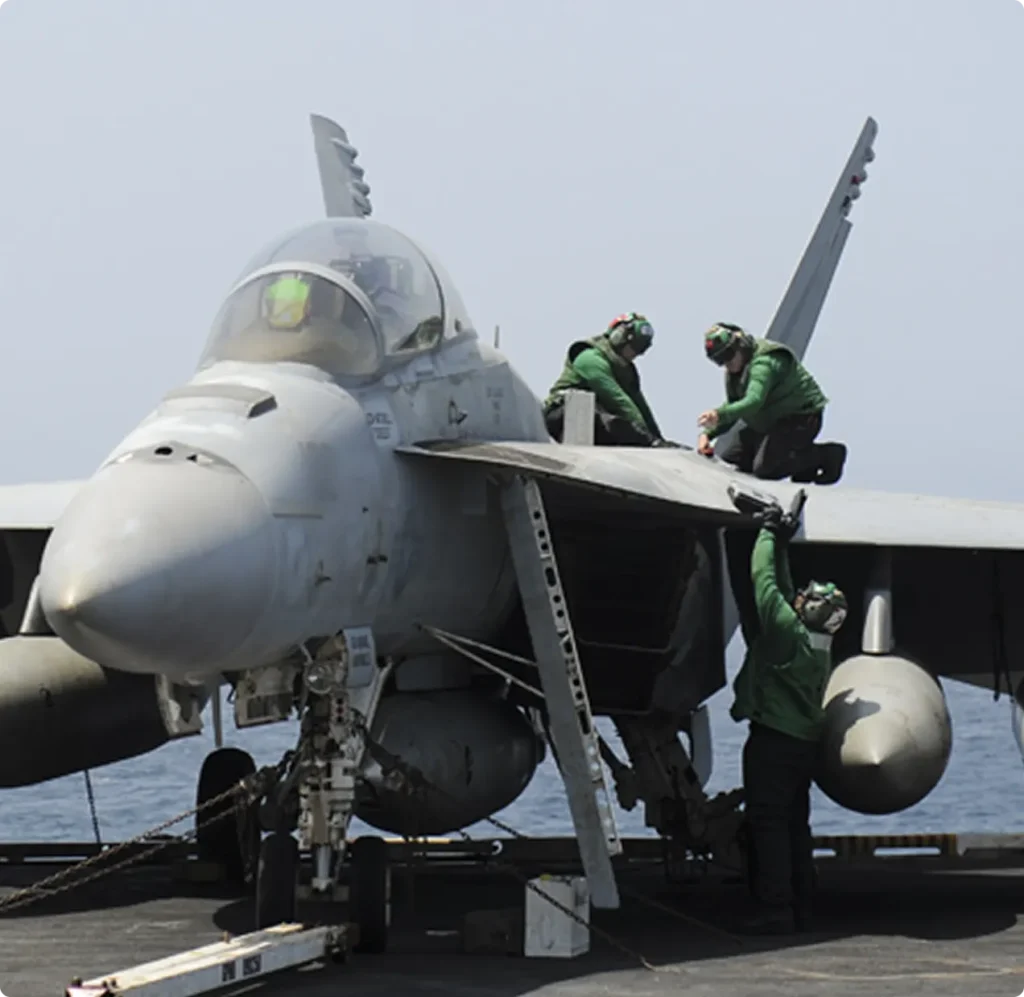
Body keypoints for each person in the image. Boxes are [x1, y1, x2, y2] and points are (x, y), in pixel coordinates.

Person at [730, 499, 848, 934]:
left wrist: (764, 533)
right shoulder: (817, 638)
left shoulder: (785, 634)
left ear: (806, 610)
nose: (799, 596)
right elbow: (783, 586)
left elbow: (764, 584)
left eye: (805, 598)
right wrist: (780, 537)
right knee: (795, 823)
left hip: (774, 743)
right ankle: (802, 902)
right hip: (803, 744)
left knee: (767, 823)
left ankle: (774, 909)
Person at [697, 323, 847, 484]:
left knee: (766, 469)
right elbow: (735, 407)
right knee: (731, 461)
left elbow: (753, 401)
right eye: (720, 359)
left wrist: (718, 414)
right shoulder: (736, 372)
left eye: (728, 354)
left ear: (740, 345)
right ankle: (803, 465)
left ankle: (826, 455)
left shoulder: (764, 363)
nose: (727, 363)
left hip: (801, 418)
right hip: (769, 422)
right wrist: (708, 434)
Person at [544, 313, 672, 446]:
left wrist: (658, 438)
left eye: (638, 350)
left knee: (617, 428)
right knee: (615, 424)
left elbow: (640, 405)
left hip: (598, 418)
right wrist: (647, 438)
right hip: (563, 413)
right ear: (619, 336)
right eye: (632, 347)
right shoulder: (590, 358)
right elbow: (618, 400)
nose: (634, 354)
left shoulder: (626, 370)